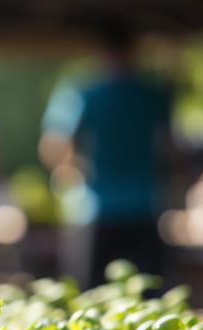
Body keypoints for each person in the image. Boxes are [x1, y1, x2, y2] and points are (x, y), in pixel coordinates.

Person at [41, 23, 172, 285]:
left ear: (99, 51)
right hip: (144, 205)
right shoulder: (152, 95)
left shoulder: (83, 94)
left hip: (96, 208)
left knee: (91, 297)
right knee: (150, 298)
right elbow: (170, 147)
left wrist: (70, 171)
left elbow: (54, 143)